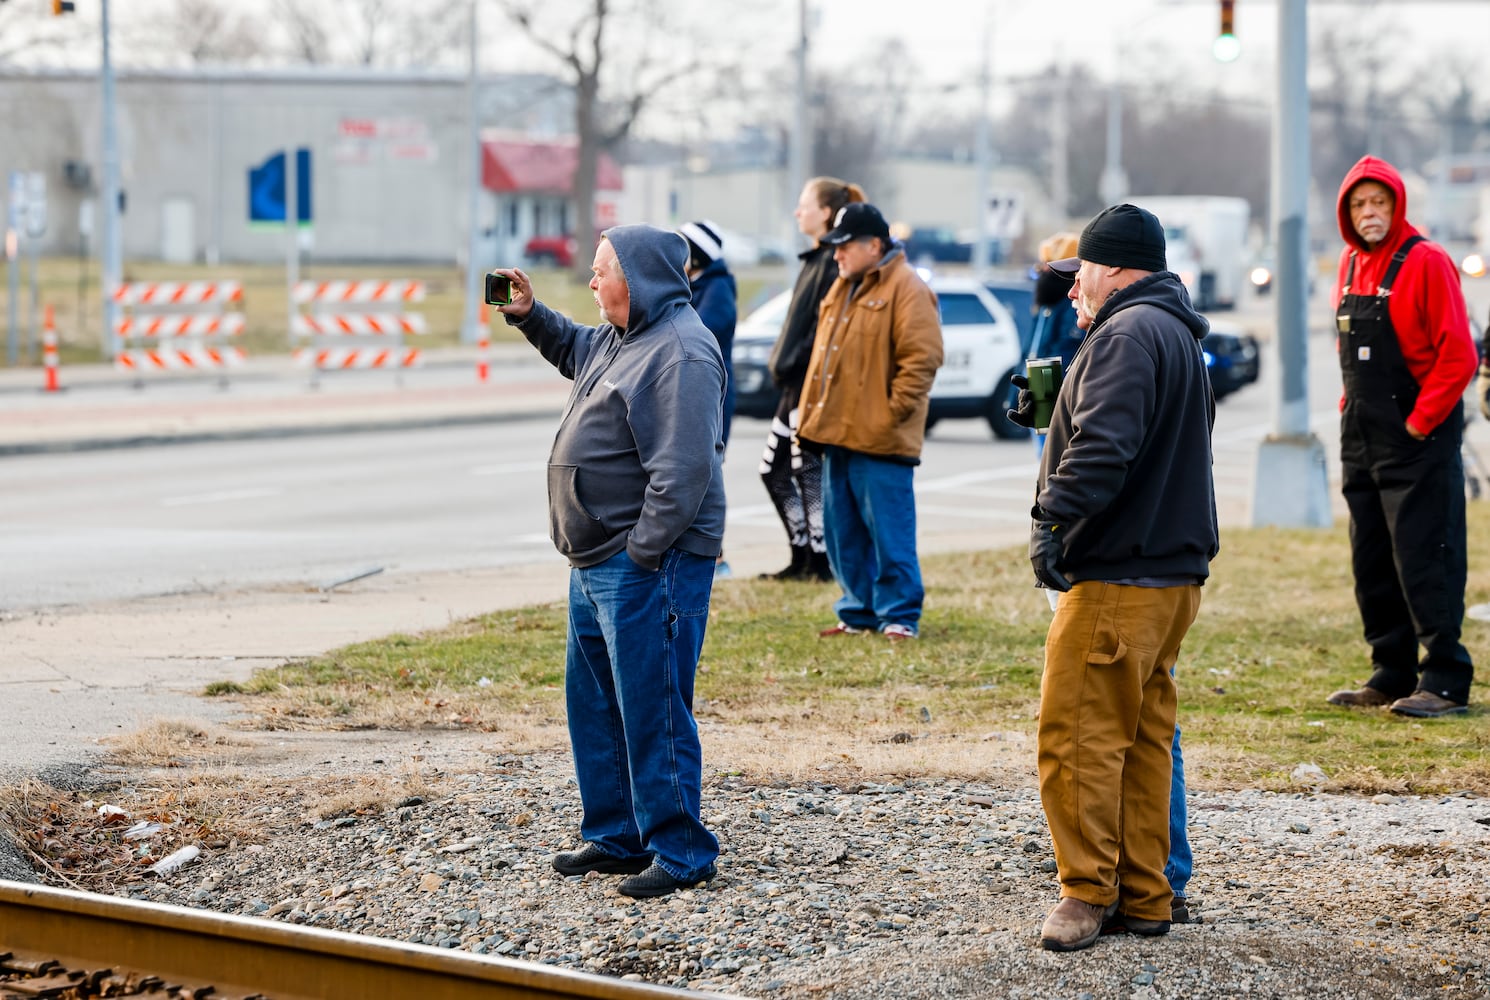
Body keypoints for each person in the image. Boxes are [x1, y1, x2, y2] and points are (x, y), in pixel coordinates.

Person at [490, 225, 726, 899]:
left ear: (643, 278)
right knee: (595, 702)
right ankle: (618, 835)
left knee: (652, 705)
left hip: (646, 562)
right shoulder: (621, 338)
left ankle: (682, 852)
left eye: (601, 272)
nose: (592, 283)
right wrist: (530, 315)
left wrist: (643, 550)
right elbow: (573, 346)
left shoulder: (680, 352)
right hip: (598, 559)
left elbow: (682, 475)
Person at [1018, 203, 1218, 952]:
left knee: (1076, 739)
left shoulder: (1128, 332)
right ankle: (1146, 896)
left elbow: (1105, 448)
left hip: (1117, 576)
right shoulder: (1169, 329)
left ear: (1115, 269)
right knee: (1140, 739)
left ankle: (1084, 894)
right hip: (1170, 577)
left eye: (1081, 274)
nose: (1073, 289)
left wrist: (1052, 520)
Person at [1323, 156, 1478, 719]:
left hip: (1418, 438)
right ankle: (1391, 671)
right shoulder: (1348, 262)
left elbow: (1459, 355)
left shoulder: (1428, 261)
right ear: (1347, 212)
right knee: (1373, 559)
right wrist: (1348, 408)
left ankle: (1444, 678)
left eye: (1379, 203)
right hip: (1361, 434)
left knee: (1425, 557)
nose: (1370, 213)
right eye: (1360, 204)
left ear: (1396, 205)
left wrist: (1419, 422)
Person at [797, 202, 943, 641]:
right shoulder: (843, 286)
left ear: (874, 245)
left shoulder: (908, 288)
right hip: (836, 434)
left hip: (880, 439)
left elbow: (922, 359)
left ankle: (899, 615)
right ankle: (858, 612)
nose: (837, 254)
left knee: (889, 533)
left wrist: (889, 414)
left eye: (845, 246)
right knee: (843, 534)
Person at [758, 177, 867, 582]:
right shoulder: (816, 260)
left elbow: (824, 331)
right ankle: (803, 555)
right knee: (777, 470)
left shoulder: (832, 263)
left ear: (825, 213)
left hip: (809, 386)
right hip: (793, 385)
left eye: (804, 204)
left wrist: (794, 363)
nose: (797, 212)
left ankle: (819, 561)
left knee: (805, 471)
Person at [678, 219, 738, 580]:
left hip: (713, 397)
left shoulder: (717, 291)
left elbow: (698, 336)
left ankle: (715, 557)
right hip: (697, 393)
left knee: (705, 473)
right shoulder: (698, 285)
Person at [1025, 232, 1084, 458]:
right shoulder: (1046, 300)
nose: (1041, 270)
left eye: (1047, 264)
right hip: (1040, 378)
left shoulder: (1068, 301)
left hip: (1049, 378)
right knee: (1044, 452)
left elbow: (1066, 346)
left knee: (1052, 454)